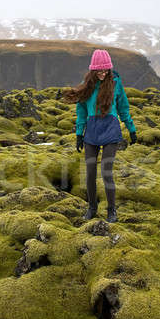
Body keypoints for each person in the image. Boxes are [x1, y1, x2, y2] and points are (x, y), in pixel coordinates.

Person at [62, 49, 137, 223]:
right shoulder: (86, 85)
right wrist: (79, 134)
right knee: (90, 172)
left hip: (111, 130)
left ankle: (112, 211)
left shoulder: (116, 83)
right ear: (93, 70)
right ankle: (92, 208)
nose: (103, 74)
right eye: (99, 71)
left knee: (106, 171)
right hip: (92, 132)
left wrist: (131, 129)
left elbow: (123, 108)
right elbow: (81, 111)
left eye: (106, 70)